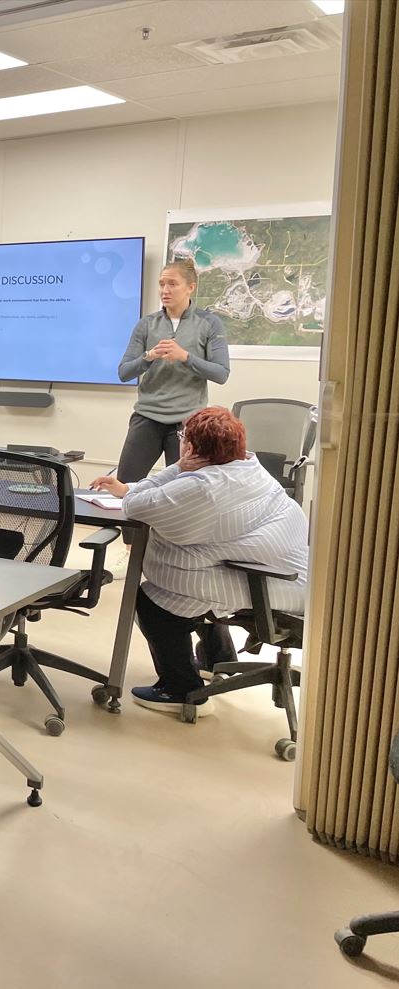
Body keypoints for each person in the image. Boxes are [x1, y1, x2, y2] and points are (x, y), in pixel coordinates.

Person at [92, 406, 308, 717]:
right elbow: (156, 497)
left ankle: (181, 689)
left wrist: (176, 467)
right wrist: (130, 488)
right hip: (288, 574)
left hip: (268, 582)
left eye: (183, 438)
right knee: (197, 577)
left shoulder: (204, 488)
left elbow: (137, 507)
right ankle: (215, 661)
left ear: (191, 448)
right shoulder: (247, 466)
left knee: (154, 600)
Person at [110, 259, 230, 576]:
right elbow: (124, 372)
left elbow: (221, 373)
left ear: (191, 287)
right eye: (162, 284)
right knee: (128, 483)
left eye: (172, 284)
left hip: (187, 423)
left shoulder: (209, 324)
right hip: (147, 416)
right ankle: (132, 552)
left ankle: (176, 557)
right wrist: (149, 357)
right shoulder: (146, 325)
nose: (165, 290)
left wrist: (186, 357)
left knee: (183, 491)